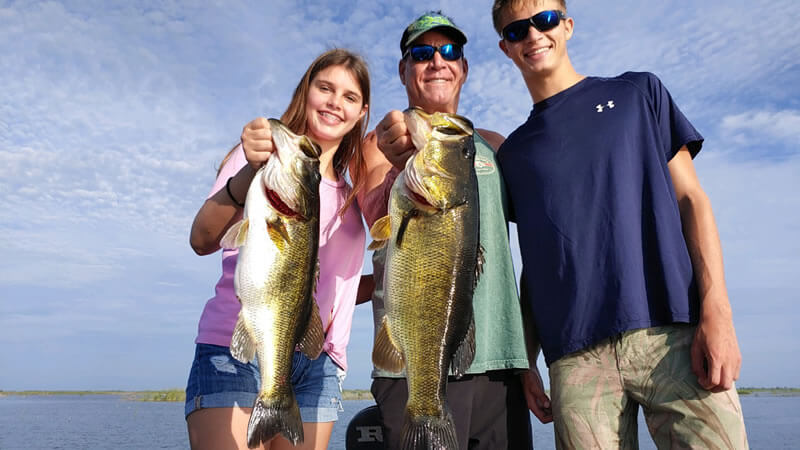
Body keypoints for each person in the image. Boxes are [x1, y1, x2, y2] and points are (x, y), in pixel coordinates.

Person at [492, 0, 749, 448]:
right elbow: (537, 261)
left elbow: (692, 200)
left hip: (674, 333)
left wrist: (718, 312)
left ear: (567, 26)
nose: (533, 35)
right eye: (517, 30)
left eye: (545, 20)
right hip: (576, 357)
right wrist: (526, 359)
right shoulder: (514, 155)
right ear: (506, 48)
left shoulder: (638, 94)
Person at [352, 11, 533, 450]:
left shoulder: (494, 144)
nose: (437, 61)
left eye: (449, 52)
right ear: (404, 70)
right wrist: (399, 165)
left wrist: (531, 357)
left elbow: (541, 232)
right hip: (410, 366)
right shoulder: (377, 143)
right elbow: (376, 213)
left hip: (501, 361)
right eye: (422, 53)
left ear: (463, 68)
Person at [185, 48, 371, 450]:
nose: (334, 102)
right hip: (234, 341)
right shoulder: (258, 160)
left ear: (361, 113)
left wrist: (402, 282)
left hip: (318, 361)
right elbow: (201, 239)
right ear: (306, 91)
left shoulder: (354, 196)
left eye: (349, 96)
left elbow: (337, 286)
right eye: (325, 88)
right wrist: (250, 171)